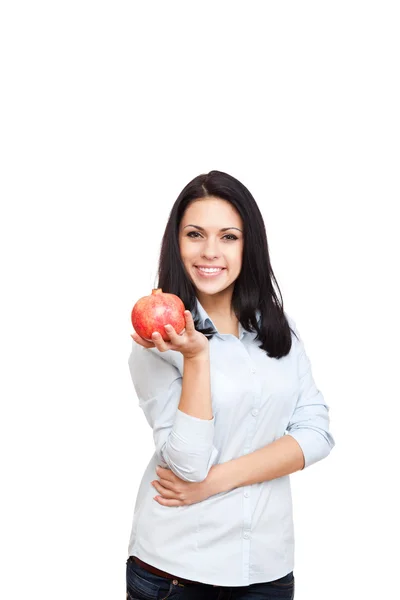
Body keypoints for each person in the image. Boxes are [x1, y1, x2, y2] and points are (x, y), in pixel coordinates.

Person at [126, 170, 335, 600]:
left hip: (267, 567)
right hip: (176, 572)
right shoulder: (158, 343)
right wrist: (197, 357)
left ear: (248, 245)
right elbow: (187, 466)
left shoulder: (278, 329)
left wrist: (214, 483)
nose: (209, 252)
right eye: (195, 234)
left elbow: (317, 433)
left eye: (228, 237)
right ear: (176, 243)